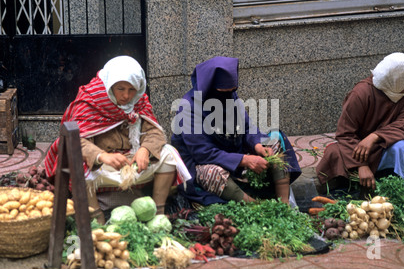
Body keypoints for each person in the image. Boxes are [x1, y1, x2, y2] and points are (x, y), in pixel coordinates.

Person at [44, 56, 190, 223]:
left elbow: (155, 133)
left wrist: (145, 150)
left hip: (132, 163)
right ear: (110, 84)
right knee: (75, 160)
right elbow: (76, 141)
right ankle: (96, 216)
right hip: (102, 167)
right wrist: (101, 156)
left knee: (169, 154)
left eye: (132, 89)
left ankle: (157, 213)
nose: (126, 96)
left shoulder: (139, 101)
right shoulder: (91, 101)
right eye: (120, 88)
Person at [171, 56, 301, 206]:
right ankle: (257, 207)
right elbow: (203, 153)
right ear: (209, 87)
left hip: (234, 153)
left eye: (232, 91)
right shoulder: (188, 107)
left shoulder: (230, 97)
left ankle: (284, 204)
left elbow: (247, 127)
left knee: (274, 138)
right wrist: (245, 160)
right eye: (223, 92)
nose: (229, 96)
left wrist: (257, 144)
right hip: (202, 162)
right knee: (213, 173)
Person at [316, 52, 404, 194]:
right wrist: (361, 165)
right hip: (358, 149)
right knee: (334, 153)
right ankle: (351, 183)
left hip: (386, 144)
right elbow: (345, 134)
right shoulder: (361, 93)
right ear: (395, 79)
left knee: (401, 148)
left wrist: (375, 136)